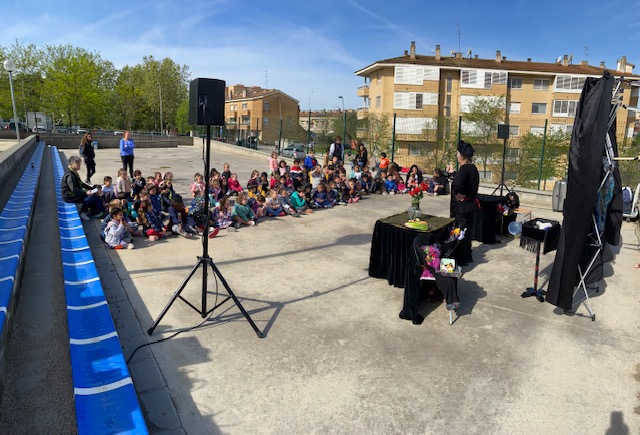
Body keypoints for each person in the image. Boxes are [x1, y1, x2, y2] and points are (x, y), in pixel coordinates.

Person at [451, 140, 480, 265]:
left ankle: (462, 257)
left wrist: (456, 194)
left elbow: (457, 184)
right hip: (471, 204)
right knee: (467, 231)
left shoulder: (464, 169)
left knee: (461, 231)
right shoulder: (473, 168)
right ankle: (467, 254)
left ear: (461, 156)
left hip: (463, 205)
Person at [61, 155, 104, 221]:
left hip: (73, 194)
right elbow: (74, 189)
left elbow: (81, 184)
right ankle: (83, 212)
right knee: (90, 197)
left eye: (79, 163)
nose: (79, 164)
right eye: (77, 163)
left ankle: (96, 211)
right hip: (69, 196)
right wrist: (85, 192)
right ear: (72, 164)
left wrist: (92, 188)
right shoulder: (70, 175)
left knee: (94, 193)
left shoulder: (74, 173)